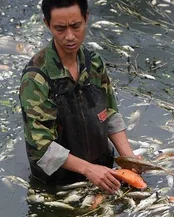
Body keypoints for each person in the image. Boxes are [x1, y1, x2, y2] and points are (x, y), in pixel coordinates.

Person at [19, 0, 136, 194]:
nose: (70, 37)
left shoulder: (95, 63)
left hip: (104, 170)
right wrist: (89, 170)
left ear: (86, 18)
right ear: (47, 24)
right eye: (60, 29)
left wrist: (128, 158)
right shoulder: (36, 78)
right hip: (60, 183)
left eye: (76, 26)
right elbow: (41, 146)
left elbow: (110, 114)